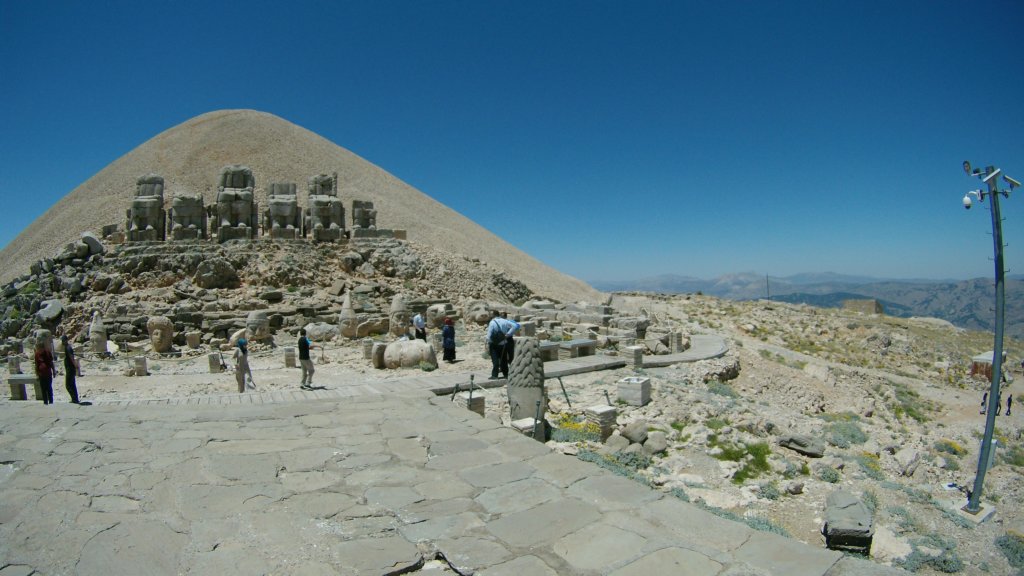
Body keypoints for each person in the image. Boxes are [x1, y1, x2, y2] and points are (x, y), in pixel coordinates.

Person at [487, 310, 520, 380]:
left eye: (491, 314)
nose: (490, 315)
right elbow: (514, 326)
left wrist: (488, 342)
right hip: (503, 343)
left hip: (494, 343)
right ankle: (506, 374)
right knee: (503, 359)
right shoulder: (505, 321)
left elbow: (489, 334)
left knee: (495, 359)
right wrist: (508, 334)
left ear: (494, 315)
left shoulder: (492, 322)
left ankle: (495, 375)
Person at [34, 339, 56, 405]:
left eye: (39, 349)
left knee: (49, 388)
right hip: (41, 374)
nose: (39, 350)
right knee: (43, 389)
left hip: (48, 373)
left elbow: (51, 363)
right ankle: (45, 402)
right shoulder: (37, 354)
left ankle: (51, 401)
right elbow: (36, 365)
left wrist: (54, 371)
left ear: (42, 348)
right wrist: (37, 374)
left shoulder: (48, 353)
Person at [60, 335, 80, 404]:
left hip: (70, 369)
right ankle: (75, 398)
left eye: (63, 341)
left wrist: (75, 365)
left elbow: (71, 357)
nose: (62, 342)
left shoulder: (68, 348)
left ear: (65, 340)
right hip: (69, 368)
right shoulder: (67, 347)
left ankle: (74, 398)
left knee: (68, 385)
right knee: (72, 384)